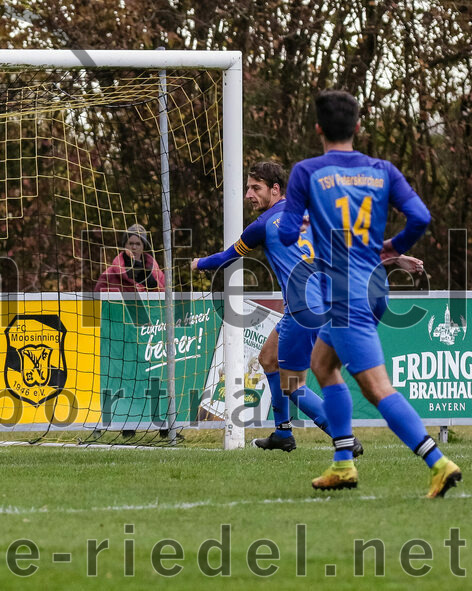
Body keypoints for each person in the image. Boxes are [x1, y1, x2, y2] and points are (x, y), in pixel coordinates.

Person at [278, 90, 461, 497]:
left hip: (343, 295)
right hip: (373, 284)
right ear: (358, 128)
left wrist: (305, 219)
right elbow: (421, 217)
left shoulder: (307, 172)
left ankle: (438, 461)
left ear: (318, 129)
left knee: (377, 388)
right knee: (323, 365)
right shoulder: (383, 170)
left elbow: (288, 233)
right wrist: (394, 245)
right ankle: (343, 463)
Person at [192, 161, 354, 453]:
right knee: (268, 358)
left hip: (303, 307)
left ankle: (342, 434)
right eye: (247, 188)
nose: (248, 195)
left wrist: (197, 263)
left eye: (255, 188)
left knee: (290, 382)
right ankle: (282, 433)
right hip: (324, 302)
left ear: (275, 189)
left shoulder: (263, 225)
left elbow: (227, 258)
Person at [95, 224, 166, 292]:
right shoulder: (109, 275)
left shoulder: (157, 273)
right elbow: (97, 300)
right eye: (131, 243)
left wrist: (154, 286)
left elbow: (166, 300)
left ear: (143, 247)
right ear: (125, 245)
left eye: (138, 244)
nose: (134, 247)